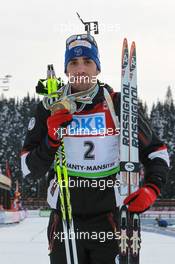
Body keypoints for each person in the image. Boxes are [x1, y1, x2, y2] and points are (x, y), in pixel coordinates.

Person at [21, 34, 169, 264]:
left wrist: (152, 188)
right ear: (66, 69)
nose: (80, 69)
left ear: (97, 68)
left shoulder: (118, 104)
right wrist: (51, 140)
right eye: (73, 63)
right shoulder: (49, 108)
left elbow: (156, 151)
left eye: (87, 62)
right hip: (65, 219)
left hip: (109, 218)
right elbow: (29, 169)